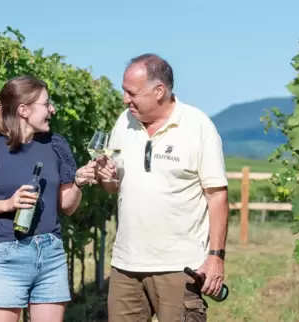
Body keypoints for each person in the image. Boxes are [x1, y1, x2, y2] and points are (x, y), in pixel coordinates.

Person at [96, 54, 229, 322]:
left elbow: (217, 197)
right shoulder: (124, 122)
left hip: (179, 266)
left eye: (131, 92)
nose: (125, 99)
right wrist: (105, 176)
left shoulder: (198, 126)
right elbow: (114, 188)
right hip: (126, 265)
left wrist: (216, 258)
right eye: (124, 91)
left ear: (159, 91)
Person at [0, 75, 97, 322]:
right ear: (23, 110)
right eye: (46, 103)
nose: (52, 109)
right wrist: (7, 204)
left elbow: (67, 207)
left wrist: (78, 183)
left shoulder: (55, 145)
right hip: (8, 252)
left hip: (50, 252)